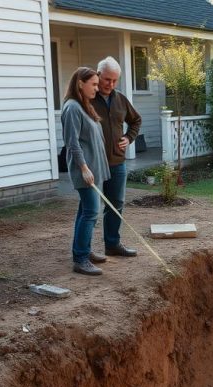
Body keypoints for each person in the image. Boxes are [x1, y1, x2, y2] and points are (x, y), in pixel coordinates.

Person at [61, 67, 111, 276]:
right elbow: (72, 143)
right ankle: (80, 258)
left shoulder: (84, 106)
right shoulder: (72, 108)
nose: (97, 88)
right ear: (80, 83)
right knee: (91, 212)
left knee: (87, 211)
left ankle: (84, 251)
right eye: (94, 84)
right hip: (86, 171)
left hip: (95, 169)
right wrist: (83, 168)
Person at [91, 56, 142, 257]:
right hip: (94, 164)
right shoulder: (87, 99)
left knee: (116, 205)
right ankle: (85, 252)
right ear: (97, 74)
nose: (110, 85)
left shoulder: (120, 99)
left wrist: (129, 138)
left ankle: (112, 245)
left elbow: (136, 120)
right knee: (91, 210)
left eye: (114, 81)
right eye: (106, 80)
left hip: (117, 163)